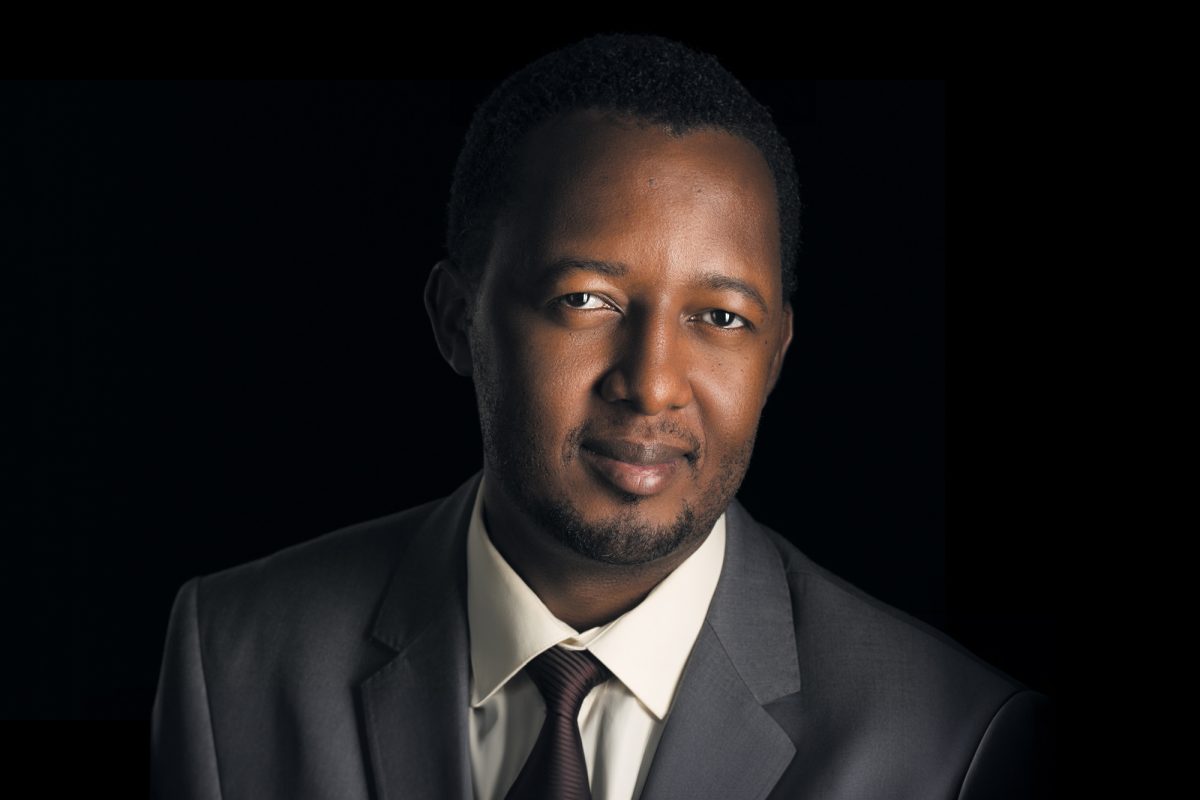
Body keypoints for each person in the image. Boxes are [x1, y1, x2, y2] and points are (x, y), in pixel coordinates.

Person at [150, 37, 1051, 800]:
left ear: (776, 358)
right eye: (586, 299)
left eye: (722, 318)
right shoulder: (231, 659)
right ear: (457, 320)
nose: (653, 384)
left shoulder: (956, 746)